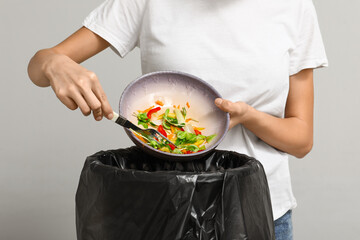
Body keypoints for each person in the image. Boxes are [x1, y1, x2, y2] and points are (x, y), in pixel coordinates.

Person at [28, 0, 328, 239]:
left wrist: (248, 116)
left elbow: (301, 140)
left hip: (258, 213)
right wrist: (55, 63)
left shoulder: (295, 7)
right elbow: (39, 66)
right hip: (163, 208)